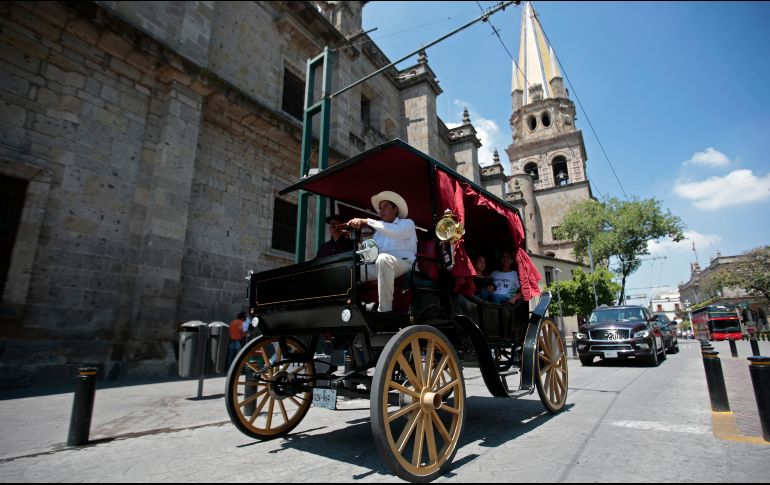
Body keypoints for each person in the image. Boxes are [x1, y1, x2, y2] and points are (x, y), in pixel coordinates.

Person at [347, 190, 417, 313]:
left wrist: (367, 221)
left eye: (385, 206)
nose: (381, 210)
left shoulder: (407, 223)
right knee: (351, 269)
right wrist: (358, 242)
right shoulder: (378, 232)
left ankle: (385, 311)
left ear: (396, 209)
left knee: (383, 259)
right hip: (383, 265)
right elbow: (370, 256)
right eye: (380, 208)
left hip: (406, 265)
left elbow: (395, 232)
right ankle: (353, 308)